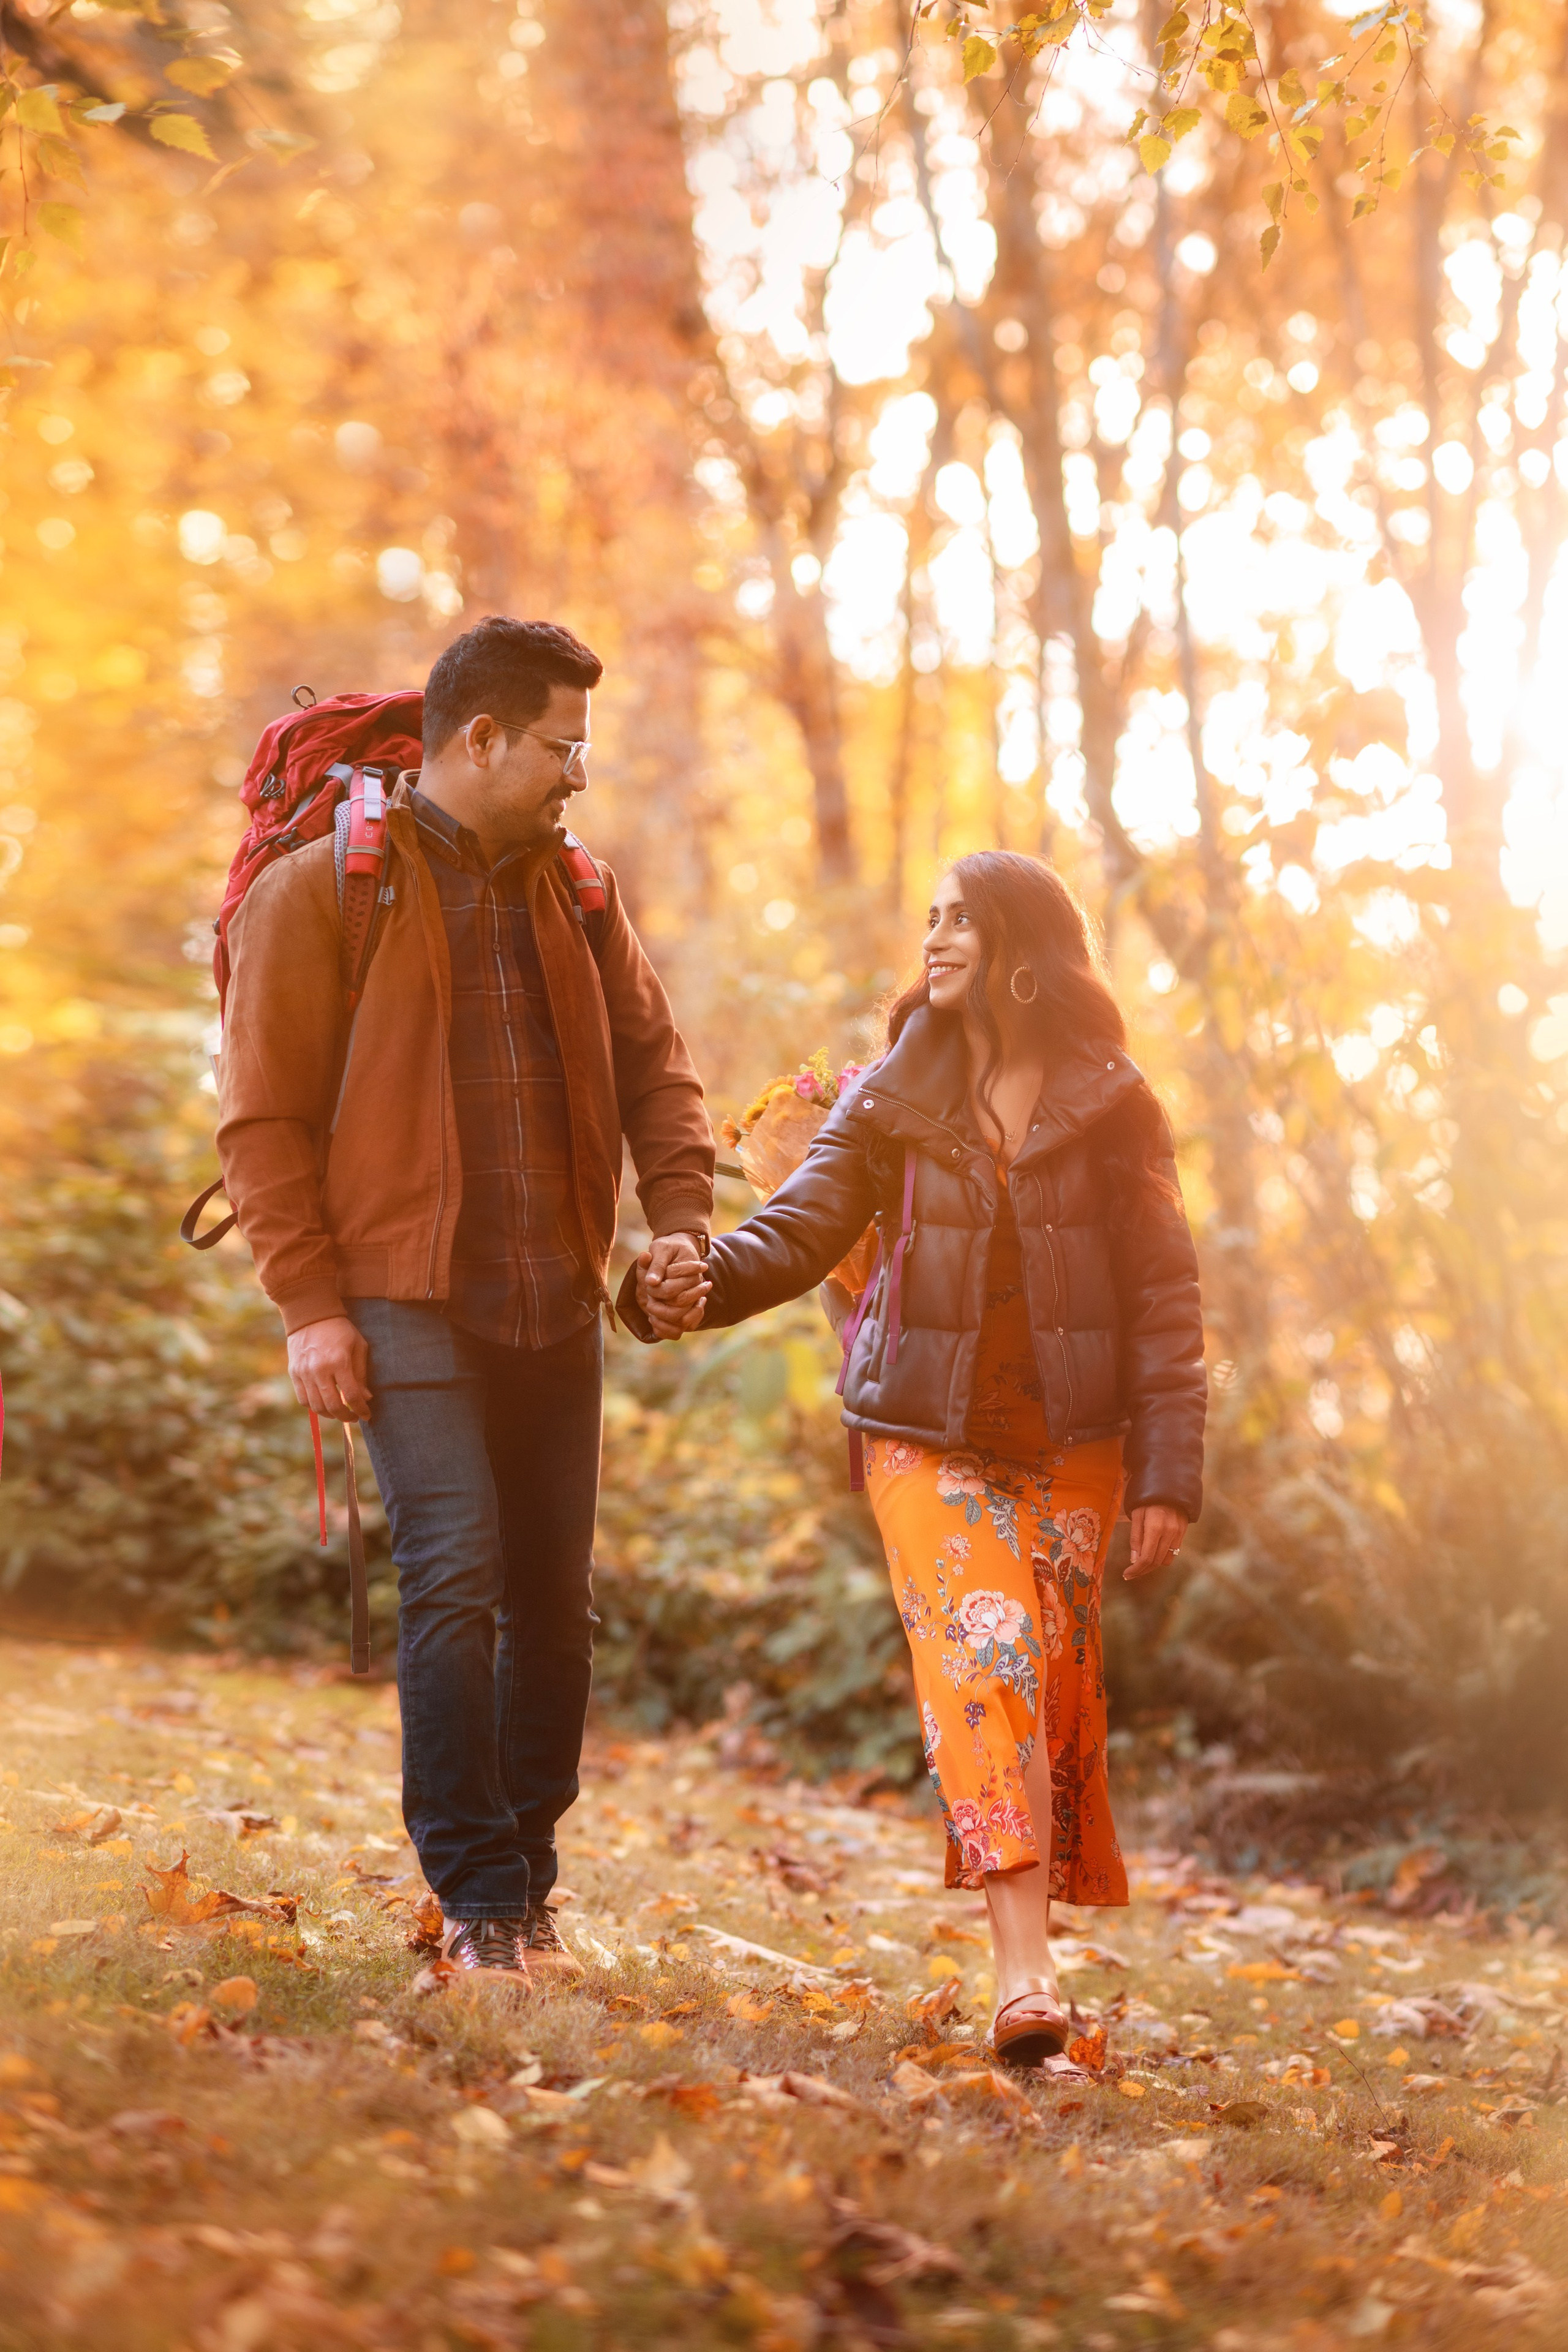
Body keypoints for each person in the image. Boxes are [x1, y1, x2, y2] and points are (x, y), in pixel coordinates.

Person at [628, 853, 1205, 2067]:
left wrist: (1166, 1472)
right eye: (931, 918)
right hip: (920, 1432)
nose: (935, 939)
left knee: (1045, 1690)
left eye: (960, 922)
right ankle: (1023, 1975)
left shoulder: (1113, 1101)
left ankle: (1027, 1946)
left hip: (1077, 1445)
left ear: (1025, 953)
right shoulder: (894, 1089)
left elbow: (1162, 1294)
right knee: (982, 1649)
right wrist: (697, 1283)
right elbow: (798, 1228)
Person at [217, 617, 715, 1982]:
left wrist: (682, 1225)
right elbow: (259, 1125)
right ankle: (478, 1895)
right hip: (399, 1293)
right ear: (481, 737)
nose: (575, 776)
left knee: (556, 1602)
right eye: (561, 747)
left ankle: (526, 1880)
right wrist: (309, 1306)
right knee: (454, 1577)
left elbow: (658, 1073)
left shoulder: (580, 894)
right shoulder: (326, 892)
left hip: (552, 1291)